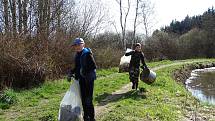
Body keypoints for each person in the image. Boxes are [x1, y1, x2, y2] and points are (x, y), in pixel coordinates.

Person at [68, 38, 96, 121]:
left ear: (83, 45)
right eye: (75, 45)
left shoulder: (87, 53)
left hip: (89, 80)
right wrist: (71, 72)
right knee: (83, 99)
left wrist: (84, 70)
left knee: (88, 100)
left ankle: (91, 117)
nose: (76, 47)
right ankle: (86, 116)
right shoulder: (77, 55)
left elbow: (93, 66)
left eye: (78, 45)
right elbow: (77, 67)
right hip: (81, 80)